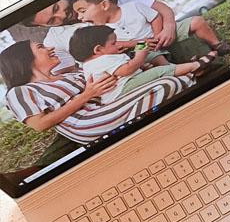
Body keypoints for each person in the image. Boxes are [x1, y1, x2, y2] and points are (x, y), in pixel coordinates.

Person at [0, 40, 192, 144]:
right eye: (41, 47)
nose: (50, 48)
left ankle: (133, 129)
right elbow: (40, 124)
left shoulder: (67, 75)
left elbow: (101, 84)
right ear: (25, 60)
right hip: (87, 124)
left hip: (105, 107)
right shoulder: (19, 92)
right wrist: (85, 96)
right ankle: (133, 127)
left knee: (173, 80)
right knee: (167, 84)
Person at [20, 0, 182, 73]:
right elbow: (69, 71)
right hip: (131, 63)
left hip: (159, 39)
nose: (62, 15)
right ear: (42, 26)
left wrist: (167, 27)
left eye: (56, 7)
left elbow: (160, 8)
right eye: (52, 20)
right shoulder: (54, 40)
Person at [71, 0, 230, 65]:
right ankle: (186, 67)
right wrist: (140, 43)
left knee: (197, 21)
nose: (80, 18)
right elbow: (115, 44)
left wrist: (162, 32)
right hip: (142, 48)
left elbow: (156, 14)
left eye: (82, 11)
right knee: (153, 58)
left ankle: (217, 45)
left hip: (159, 33)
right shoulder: (98, 29)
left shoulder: (131, 6)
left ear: (105, 5)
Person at [68, 26, 210, 103]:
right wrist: (140, 55)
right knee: (157, 72)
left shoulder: (94, 62)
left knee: (153, 66)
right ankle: (195, 66)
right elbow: (127, 69)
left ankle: (187, 69)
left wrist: (139, 56)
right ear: (98, 49)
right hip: (122, 91)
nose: (118, 45)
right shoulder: (102, 60)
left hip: (125, 84)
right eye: (113, 43)